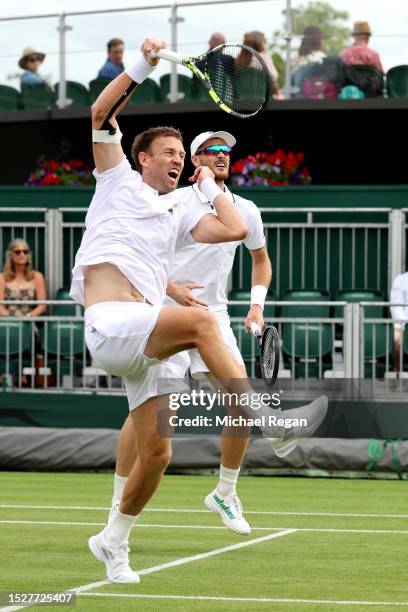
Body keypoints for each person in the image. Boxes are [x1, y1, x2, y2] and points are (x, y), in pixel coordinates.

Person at [70, 36, 327, 584]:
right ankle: (267, 419)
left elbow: (235, 230)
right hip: (110, 324)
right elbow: (99, 111)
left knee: (158, 454)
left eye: (183, 156)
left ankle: (112, 541)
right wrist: (142, 63)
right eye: (170, 153)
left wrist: (211, 186)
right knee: (203, 320)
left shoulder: (175, 215)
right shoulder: (115, 181)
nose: (178, 160)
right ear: (140, 157)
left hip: (145, 336)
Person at [109, 129, 272, 538]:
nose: (220, 155)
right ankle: (118, 501)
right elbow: (140, 255)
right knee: (155, 412)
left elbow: (261, 260)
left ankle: (224, 493)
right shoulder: (172, 202)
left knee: (241, 403)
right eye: (210, 150)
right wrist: (169, 289)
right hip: (166, 312)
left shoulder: (245, 209)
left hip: (214, 317)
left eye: (225, 151)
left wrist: (256, 306)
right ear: (194, 160)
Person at [0, 238, 47, 317]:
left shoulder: (37, 277)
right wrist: (9, 318)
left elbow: (42, 306)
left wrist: (29, 316)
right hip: (8, 323)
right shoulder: (2, 278)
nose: (22, 254)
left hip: (29, 322)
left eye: (25, 252)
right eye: (17, 252)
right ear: (10, 255)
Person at [239, 31, 283, 99]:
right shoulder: (263, 57)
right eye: (264, 40)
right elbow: (274, 76)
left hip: (243, 100)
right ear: (259, 43)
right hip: (264, 99)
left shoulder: (239, 60)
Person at [390, 271, 408, 372]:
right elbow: (396, 306)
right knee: (397, 340)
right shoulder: (401, 279)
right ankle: (398, 375)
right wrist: (404, 324)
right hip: (404, 324)